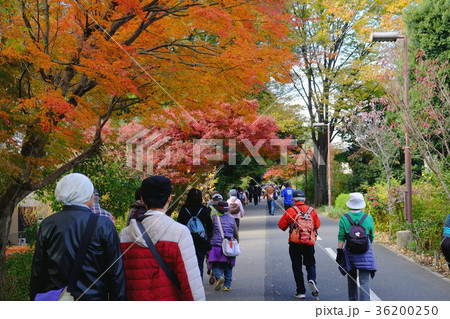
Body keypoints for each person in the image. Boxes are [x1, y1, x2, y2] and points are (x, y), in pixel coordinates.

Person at [30, 173, 126, 301]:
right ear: (86, 195)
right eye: (92, 194)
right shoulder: (103, 224)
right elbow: (115, 273)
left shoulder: (48, 224)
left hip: (58, 300)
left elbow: (38, 270)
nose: (93, 197)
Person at [119, 176, 205, 301]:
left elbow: (119, 280)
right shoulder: (179, 233)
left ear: (142, 199)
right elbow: (191, 284)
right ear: (169, 198)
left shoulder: (125, 235)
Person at [278, 189, 320, 299]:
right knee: (310, 263)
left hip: (295, 243)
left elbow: (282, 226)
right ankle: (312, 279)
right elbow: (317, 225)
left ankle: (300, 291)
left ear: (293, 199)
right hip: (309, 242)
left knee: (297, 266)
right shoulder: (312, 211)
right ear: (304, 199)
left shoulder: (291, 211)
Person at [336, 192, 376, 301]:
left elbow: (341, 237)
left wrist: (339, 252)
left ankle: (353, 303)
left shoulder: (344, 218)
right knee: (364, 281)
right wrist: (365, 245)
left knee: (352, 279)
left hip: (350, 252)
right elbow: (371, 236)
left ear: (349, 204)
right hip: (365, 253)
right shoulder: (368, 218)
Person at [177, 188, 214, 278]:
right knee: (199, 264)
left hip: (186, 241)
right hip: (201, 242)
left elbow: (179, 226)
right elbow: (210, 226)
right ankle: (198, 285)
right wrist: (207, 237)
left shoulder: (183, 210)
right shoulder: (204, 210)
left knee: (187, 265)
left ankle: (189, 286)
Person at [208, 201, 239, 291]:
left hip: (216, 246)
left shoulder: (214, 218)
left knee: (215, 265)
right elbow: (236, 234)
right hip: (229, 246)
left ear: (217, 209)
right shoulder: (232, 220)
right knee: (228, 267)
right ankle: (227, 286)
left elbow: (210, 231)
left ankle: (219, 277)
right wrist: (236, 245)